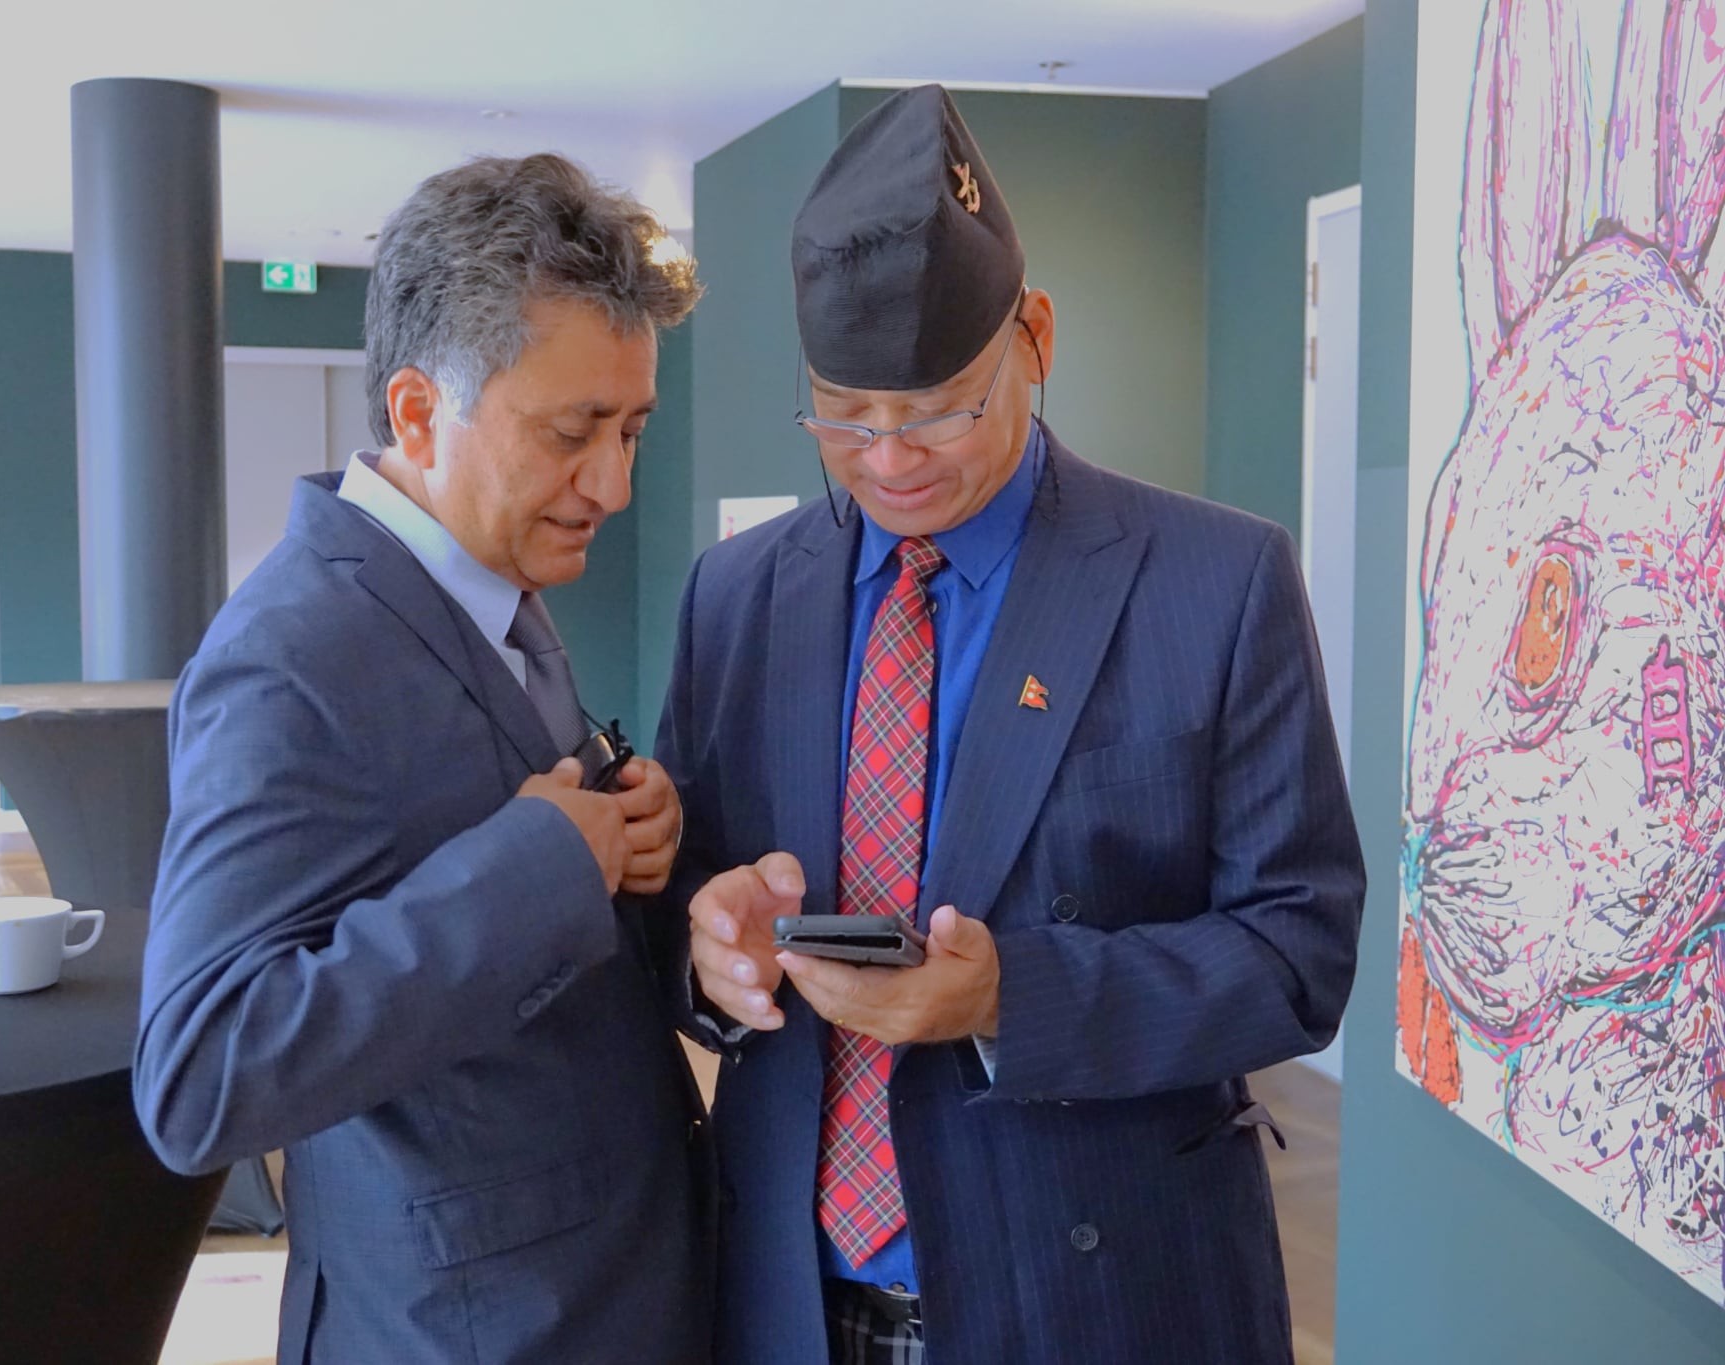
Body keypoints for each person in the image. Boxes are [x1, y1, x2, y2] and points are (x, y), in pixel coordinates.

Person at [656, 85, 1365, 1364]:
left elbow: (1295, 956)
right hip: (789, 1302)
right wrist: (706, 949)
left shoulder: (1214, 582)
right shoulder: (736, 595)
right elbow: (681, 893)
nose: (889, 461)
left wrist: (1010, 998)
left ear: (1032, 336)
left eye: (938, 410)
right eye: (843, 417)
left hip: (1093, 1296)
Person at [133, 153, 709, 1364]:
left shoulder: (496, 584)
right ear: (414, 412)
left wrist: (630, 847)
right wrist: (538, 868)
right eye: (572, 432)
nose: (611, 484)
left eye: (631, 431)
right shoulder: (287, 656)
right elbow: (201, 1078)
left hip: (603, 1289)